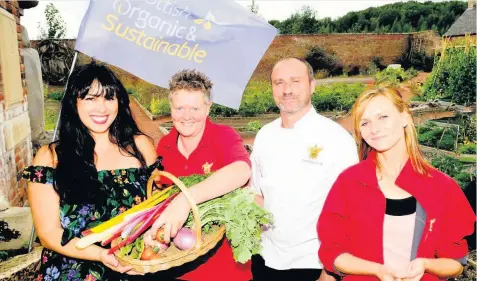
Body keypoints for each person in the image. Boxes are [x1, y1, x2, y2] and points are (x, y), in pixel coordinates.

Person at [317, 87, 476, 281]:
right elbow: (333, 253)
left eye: (383, 117)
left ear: (404, 117)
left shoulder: (442, 187)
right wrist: (377, 270)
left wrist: (426, 264)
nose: (374, 129)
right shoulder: (349, 182)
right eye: (365, 122)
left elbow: (455, 262)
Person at [22, 62, 161, 281]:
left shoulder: (141, 146)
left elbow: (160, 205)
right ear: (74, 103)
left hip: (134, 266)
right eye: (90, 98)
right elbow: (48, 233)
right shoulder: (50, 156)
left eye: (109, 97)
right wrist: (100, 254)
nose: (102, 108)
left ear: (119, 101)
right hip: (71, 271)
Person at [249, 57, 359, 281]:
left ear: (312, 85)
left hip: (313, 262)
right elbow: (257, 194)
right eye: (278, 82)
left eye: (295, 81)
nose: (286, 90)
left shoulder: (335, 138)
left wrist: (330, 272)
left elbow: (353, 207)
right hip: (265, 257)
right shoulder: (264, 135)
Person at [150, 69, 252, 281]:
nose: (187, 116)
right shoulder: (164, 146)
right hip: (179, 268)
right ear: (171, 108)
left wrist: (185, 200)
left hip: (226, 272)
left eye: (195, 108)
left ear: (207, 108)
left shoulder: (224, 137)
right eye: (179, 108)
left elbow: (242, 170)